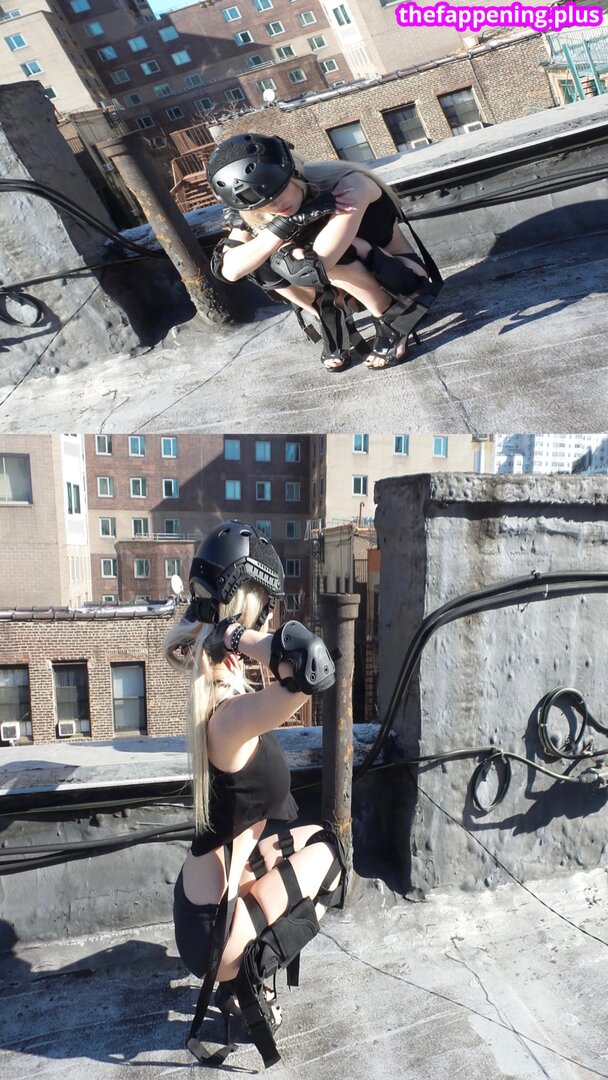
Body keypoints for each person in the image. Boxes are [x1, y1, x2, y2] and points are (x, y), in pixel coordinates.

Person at [164, 519, 346, 1068]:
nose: (273, 620)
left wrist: (224, 634)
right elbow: (313, 666)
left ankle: (241, 970)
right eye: (268, 609)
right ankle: (248, 983)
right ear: (252, 611)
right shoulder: (229, 718)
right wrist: (238, 635)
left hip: (203, 903)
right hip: (214, 931)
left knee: (314, 837)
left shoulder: (218, 693)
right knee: (334, 861)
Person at [207, 133, 442, 373]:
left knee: (303, 259)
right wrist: (284, 224)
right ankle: (328, 316)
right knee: (259, 260)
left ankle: (389, 315)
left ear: (291, 172)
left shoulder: (348, 184)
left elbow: (319, 262)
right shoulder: (254, 207)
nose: (274, 206)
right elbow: (229, 270)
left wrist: (282, 230)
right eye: (261, 203)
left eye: (278, 192)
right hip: (344, 286)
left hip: (401, 279)